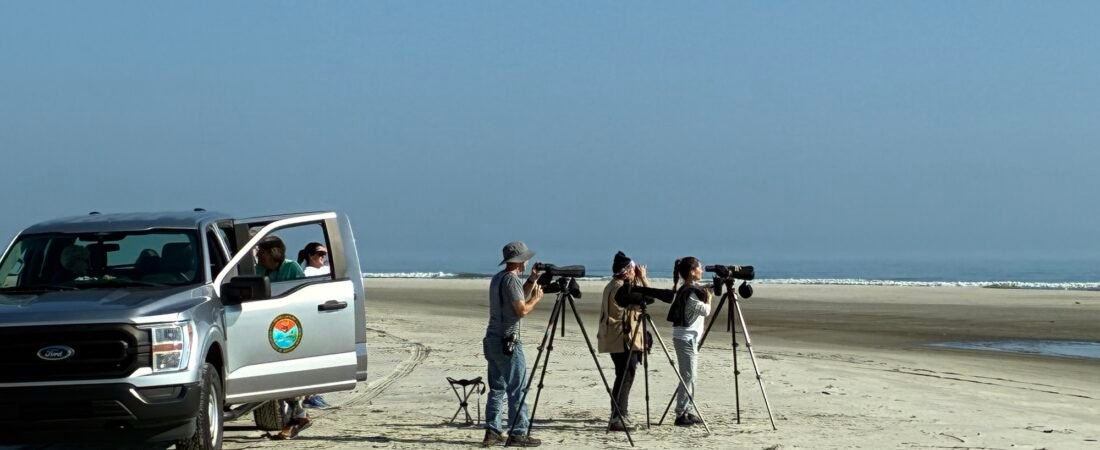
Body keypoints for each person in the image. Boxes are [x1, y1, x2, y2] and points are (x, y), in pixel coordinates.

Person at [482, 241, 545, 448]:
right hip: (508, 341)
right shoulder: (511, 280)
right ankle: (518, 433)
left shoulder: (499, 278)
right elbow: (521, 310)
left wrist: (533, 279)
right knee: (518, 389)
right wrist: (536, 299)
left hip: (492, 339)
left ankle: (493, 431)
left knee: (497, 388)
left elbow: (515, 297)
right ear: (520, 261)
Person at [255, 236, 311, 439]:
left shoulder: (291, 268)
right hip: (265, 325)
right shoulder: (258, 271)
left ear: (273, 252)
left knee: (285, 371)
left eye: (260, 250)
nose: (257, 255)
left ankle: (296, 417)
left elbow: (301, 296)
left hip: (287, 325)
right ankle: (294, 417)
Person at [596, 251, 649, 431]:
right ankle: (618, 416)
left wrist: (637, 279)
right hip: (623, 338)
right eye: (633, 269)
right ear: (626, 271)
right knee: (626, 374)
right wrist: (644, 279)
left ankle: (618, 412)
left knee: (622, 374)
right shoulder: (621, 289)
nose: (636, 271)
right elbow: (648, 298)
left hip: (615, 336)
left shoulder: (613, 285)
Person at [667, 256, 712, 427]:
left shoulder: (689, 289)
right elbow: (705, 311)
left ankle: (688, 410)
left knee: (691, 376)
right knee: (687, 376)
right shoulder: (690, 293)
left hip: (688, 338)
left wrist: (708, 291)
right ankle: (681, 414)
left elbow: (700, 293)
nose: (702, 270)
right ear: (692, 272)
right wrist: (708, 299)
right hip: (685, 339)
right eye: (699, 268)